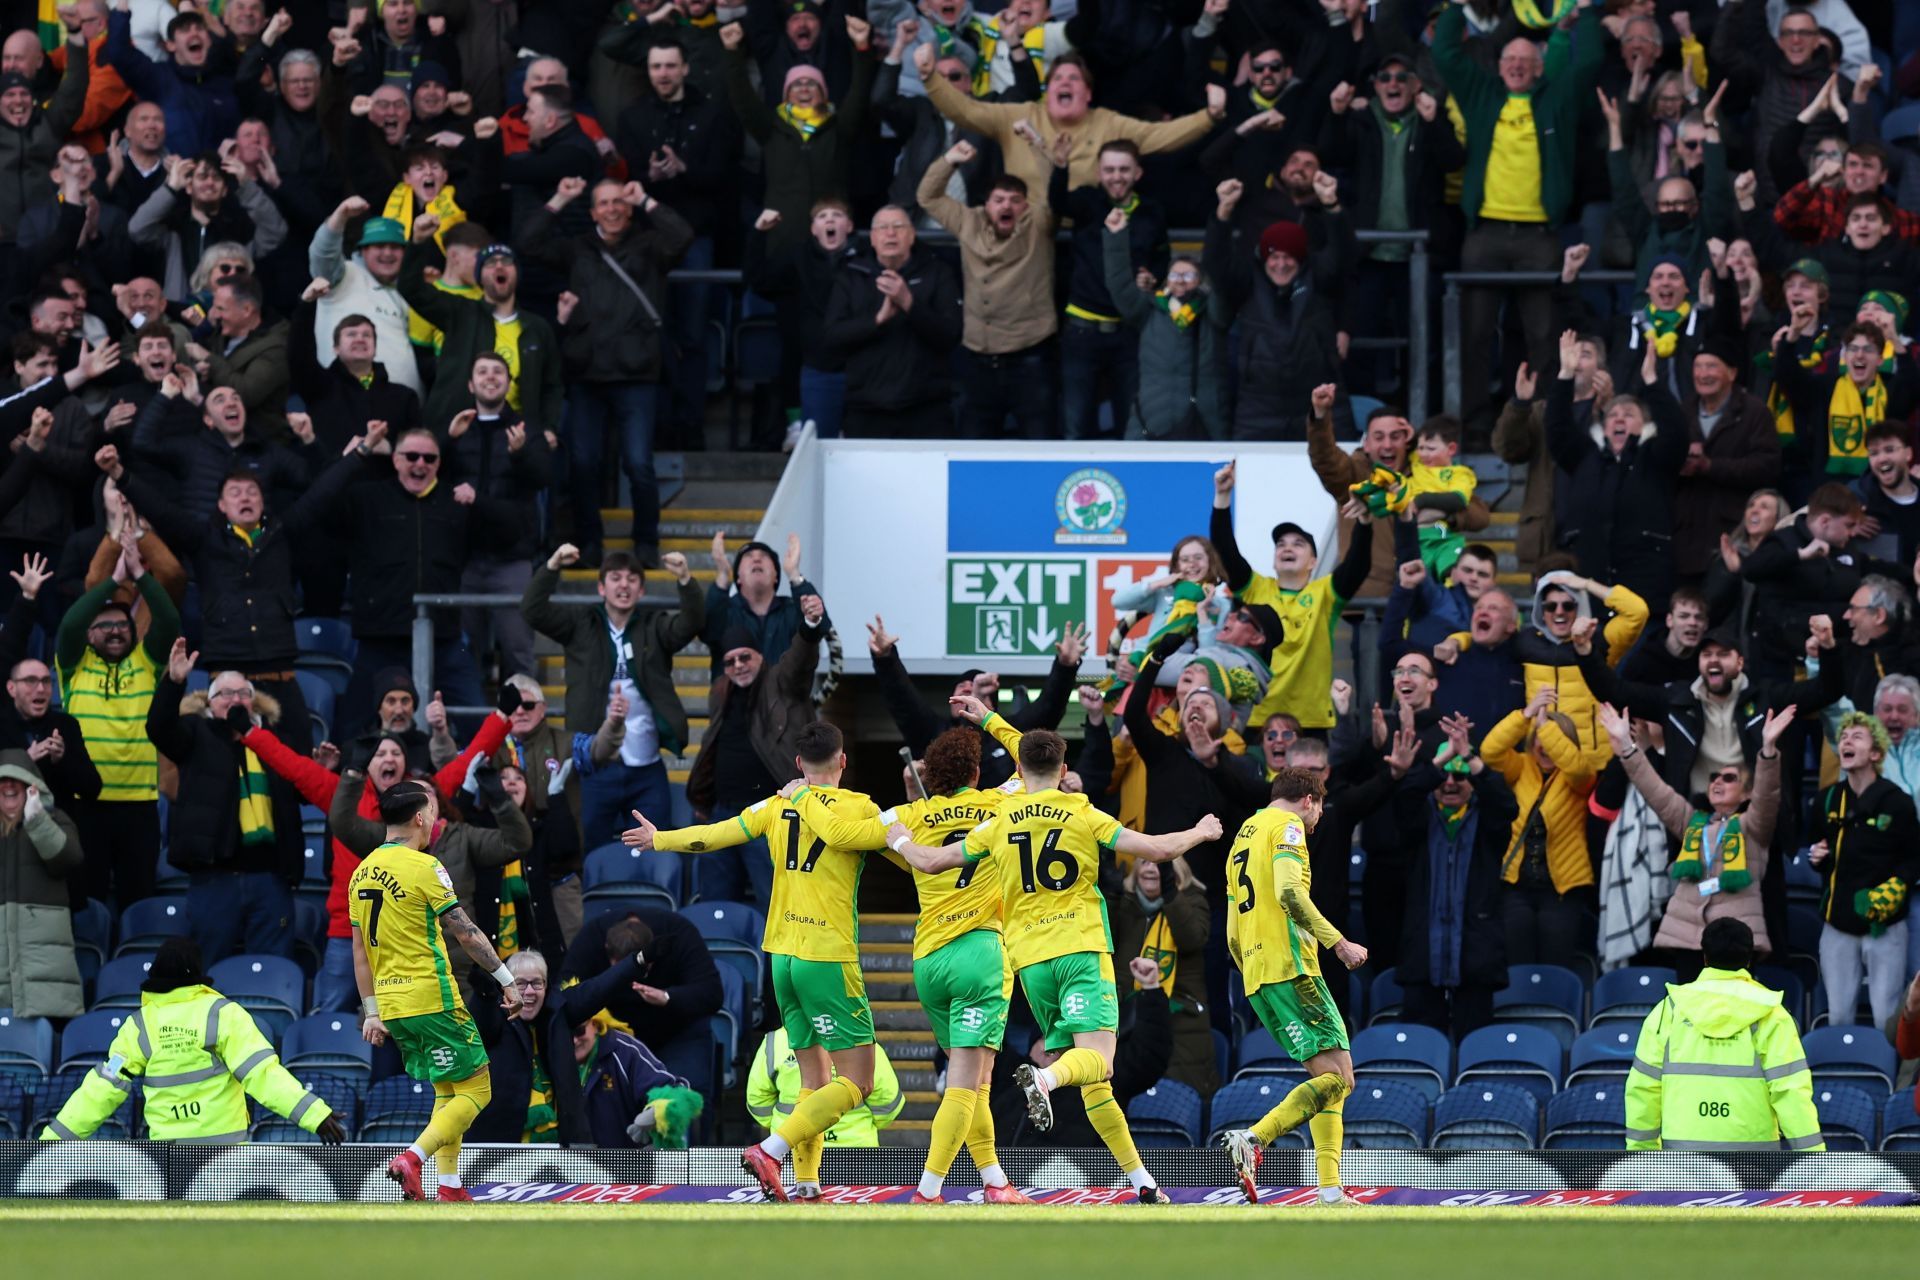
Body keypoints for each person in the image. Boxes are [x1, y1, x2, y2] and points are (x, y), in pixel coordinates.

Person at [887, 728, 1225, 1204]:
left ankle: (1143, 1183)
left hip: (1029, 963)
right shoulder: (1082, 812)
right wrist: (1202, 832)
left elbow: (934, 860)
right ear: (1064, 772)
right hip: (1079, 950)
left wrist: (899, 840)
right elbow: (1157, 849)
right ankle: (1045, 1078)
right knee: (1098, 1060)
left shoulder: (1000, 820)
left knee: (1096, 1083)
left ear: (1019, 772)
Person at [624, 721, 879, 1203]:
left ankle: (807, 1181)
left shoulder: (776, 804)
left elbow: (716, 835)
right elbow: (901, 850)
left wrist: (661, 839)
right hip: (827, 954)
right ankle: (773, 1149)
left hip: (781, 954)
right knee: (858, 1081)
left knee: (814, 1077)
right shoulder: (861, 808)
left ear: (799, 764)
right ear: (843, 761)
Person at [784, 713, 1031, 1203]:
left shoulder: (904, 817)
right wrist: (986, 716)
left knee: (977, 1078)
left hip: (929, 961)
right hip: (980, 953)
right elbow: (1038, 759)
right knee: (966, 1081)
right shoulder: (1001, 804)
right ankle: (929, 1189)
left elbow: (838, 833)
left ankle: (995, 1181)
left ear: (927, 775)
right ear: (976, 775)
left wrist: (803, 795)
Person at [1431, 1, 1603, 437]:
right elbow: (1445, 55)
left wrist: (1586, 13)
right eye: (1510, 60)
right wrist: (1453, 6)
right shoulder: (1482, 94)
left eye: (1526, 61)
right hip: (1485, 233)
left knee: (1543, 335)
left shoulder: (1556, 100)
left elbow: (1590, 62)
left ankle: (1540, 423)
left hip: (1538, 239)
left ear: (1540, 68)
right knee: (1473, 334)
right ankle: (1472, 425)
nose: (1517, 67)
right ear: (1499, 64)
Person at [351, 780, 525, 1202]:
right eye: (430, 812)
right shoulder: (426, 867)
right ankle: (413, 1158)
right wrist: (507, 979)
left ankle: (448, 1186)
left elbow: (359, 951)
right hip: (432, 997)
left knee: (448, 1089)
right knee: (478, 1088)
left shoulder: (360, 873)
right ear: (419, 817)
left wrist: (371, 1011)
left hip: (393, 1004)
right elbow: (464, 933)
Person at [1217, 767, 1370, 1207]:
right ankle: (1254, 1137)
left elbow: (1231, 931)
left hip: (1257, 973)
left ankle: (1328, 1189)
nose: (1319, 817)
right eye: (1320, 807)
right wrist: (1337, 943)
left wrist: (1252, 965)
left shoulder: (1243, 836)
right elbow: (1289, 891)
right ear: (1309, 800)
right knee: (1341, 1078)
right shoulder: (1286, 826)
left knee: (1331, 1078)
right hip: (1291, 966)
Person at [523, 176, 693, 568]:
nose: (613, 209)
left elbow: (683, 235)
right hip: (586, 375)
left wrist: (647, 199)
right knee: (583, 464)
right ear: (593, 210)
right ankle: (591, 543)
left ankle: (646, 543)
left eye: (620, 201)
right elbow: (529, 243)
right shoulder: (577, 248)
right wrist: (561, 197)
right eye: (604, 203)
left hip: (637, 376)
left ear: (629, 207)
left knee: (638, 464)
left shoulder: (651, 246)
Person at [41, 936, 346, 1144]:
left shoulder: (139, 1025)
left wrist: (50, 1141)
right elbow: (262, 1076)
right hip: (225, 1152)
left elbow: (101, 1088)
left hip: (167, 1154)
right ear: (198, 974)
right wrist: (314, 1114)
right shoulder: (223, 1014)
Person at [522, 543, 704, 850]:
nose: (624, 584)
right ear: (601, 587)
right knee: (588, 851)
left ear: (642, 591)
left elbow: (691, 623)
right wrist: (552, 565)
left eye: (632, 579)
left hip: (646, 765)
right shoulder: (581, 624)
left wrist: (686, 579)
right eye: (616, 578)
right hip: (594, 766)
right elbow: (532, 610)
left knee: (655, 851)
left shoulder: (654, 625)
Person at [1602, 701, 1788, 980]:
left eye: (1729, 778)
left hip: (1735, 941)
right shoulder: (1694, 822)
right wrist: (1629, 749)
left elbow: (1767, 795)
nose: (1718, 782)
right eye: (1714, 777)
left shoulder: (1753, 826)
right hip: (1690, 939)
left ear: (1746, 793)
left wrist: (1769, 751)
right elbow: (1656, 792)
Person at [147, 642, 306, 963]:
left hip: (270, 877)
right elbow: (159, 729)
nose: (236, 700)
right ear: (210, 703)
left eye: (244, 694)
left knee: (275, 963)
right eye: (226, 694)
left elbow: (298, 791)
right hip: (214, 878)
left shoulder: (273, 740)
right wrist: (173, 683)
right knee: (209, 964)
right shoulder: (195, 733)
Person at [1623, 917, 1824, 1152]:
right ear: (1750, 959)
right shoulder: (1772, 1014)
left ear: (1704, 957)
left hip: (1681, 1164)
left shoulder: (1669, 1010)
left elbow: (1643, 1087)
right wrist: (1813, 1158)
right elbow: (1791, 1091)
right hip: (1755, 1166)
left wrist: (1641, 1154)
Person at [55, 529, 179, 907]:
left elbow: (169, 620)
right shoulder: (74, 665)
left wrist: (140, 575)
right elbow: (71, 624)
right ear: (90, 634)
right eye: (104, 625)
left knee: (138, 898)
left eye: (122, 625)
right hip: (85, 802)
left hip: (140, 803)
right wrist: (112, 580)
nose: (114, 631)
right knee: (87, 898)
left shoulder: (147, 661)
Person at [466, 948, 700, 1147]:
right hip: (497, 1150)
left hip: (573, 1158)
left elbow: (600, 988)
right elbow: (481, 1022)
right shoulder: (496, 1021)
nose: (573, 1040)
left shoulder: (613, 1046)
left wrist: (637, 960)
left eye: (536, 983)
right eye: (520, 984)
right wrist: (484, 994)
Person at [1209, 460, 1374, 732]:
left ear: (1312, 562)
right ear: (1274, 559)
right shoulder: (1255, 589)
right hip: (1255, 718)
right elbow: (1225, 552)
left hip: (1309, 720)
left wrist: (1365, 523)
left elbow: (1358, 565)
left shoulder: (1324, 593)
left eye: (1299, 544)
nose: (1288, 548)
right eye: (1281, 545)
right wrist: (1223, 497)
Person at [683, 606, 828, 907]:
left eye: (745, 657)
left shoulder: (780, 682)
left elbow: (799, 662)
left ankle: (774, 959)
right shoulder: (720, 691)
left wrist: (810, 626)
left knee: (775, 904)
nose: (738, 665)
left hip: (769, 815)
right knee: (715, 903)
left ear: (760, 656)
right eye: (730, 661)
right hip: (723, 814)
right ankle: (722, 956)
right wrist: (703, 799)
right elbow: (713, 747)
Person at [918, 143, 1055, 441]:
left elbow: (1052, 190)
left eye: (1015, 200)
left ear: (1025, 207)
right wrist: (949, 160)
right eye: (999, 200)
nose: (1006, 206)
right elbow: (927, 197)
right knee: (973, 446)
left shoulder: (1038, 224)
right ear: (987, 204)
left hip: (1029, 359)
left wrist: (1037, 145)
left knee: (1040, 445)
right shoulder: (970, 221)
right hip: (978, 359)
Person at [1393, 713, 1517, 1041]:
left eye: (1458, 777)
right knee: (1420, 1050)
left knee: (1474, 1047)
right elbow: (1404, 794)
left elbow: (1506, 806)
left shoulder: (1488, 823)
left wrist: (1469, 758)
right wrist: (1442, 760)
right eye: (1443, 777)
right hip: (1423, 954)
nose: (1449, 783)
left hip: (1475, 956)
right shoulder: (1419, 821)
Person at [1809, 712, 1920, 1035]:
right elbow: (1816, 847)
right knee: (1838, 1013)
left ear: (1875, 753)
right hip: (1837, 923)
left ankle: (1886, 1082)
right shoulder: (1826, 799)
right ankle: (1837, 1078)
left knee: (1886, 1013)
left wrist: (1897, 886)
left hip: (1883, 925)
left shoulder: (1896, 802)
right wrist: (1817, 856)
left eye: (1857, 737)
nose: (1846, 741)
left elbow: (1914, 857)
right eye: (1844, 737)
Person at [1480, 690, 1600, 968]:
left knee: (1555, 962)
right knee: (1515, 960)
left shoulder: (1579, 775)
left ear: (1565, 743)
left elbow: (1577, 769)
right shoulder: (1521, 767)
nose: (1544, 747)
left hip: (1562, 890)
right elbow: (1490, 751)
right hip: (1516, 886)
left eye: (1552, 739)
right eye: (1539, 740)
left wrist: (1545, 728)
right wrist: (1526, 716)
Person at [821, 204, 963, 438]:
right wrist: (877, 321)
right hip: (866, 409)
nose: (890, 233)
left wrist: (909, 304)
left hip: (927, 409)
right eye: (883, 228)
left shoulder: (938, 272)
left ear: (912, 236)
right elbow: (832, 336)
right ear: (873, 238)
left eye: (898, 227)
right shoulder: (851, 275)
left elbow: (951, 334)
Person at [558, 910, 725, 1093]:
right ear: (606, 948)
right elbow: (565, 994)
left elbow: (712, 993)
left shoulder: (677, 932)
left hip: (677, 1031)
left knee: (687, 1094)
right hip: (614, 1034)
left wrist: (667, 997)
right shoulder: (592, 935)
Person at [0, 752, 82, 1018]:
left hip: (47, 976)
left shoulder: (55, 819)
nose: (9, 785)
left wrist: (37, 820)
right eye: (3, 781)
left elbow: (69, 859)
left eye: (17, 780)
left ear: (31, 788)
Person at [747, 1026, 903, 1148]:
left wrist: (791, 1128)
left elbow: (758, 1102)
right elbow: (888, 1104)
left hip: (791, 1149)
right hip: (856, 1150)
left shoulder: (775, 1041)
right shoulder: (860, 1037)